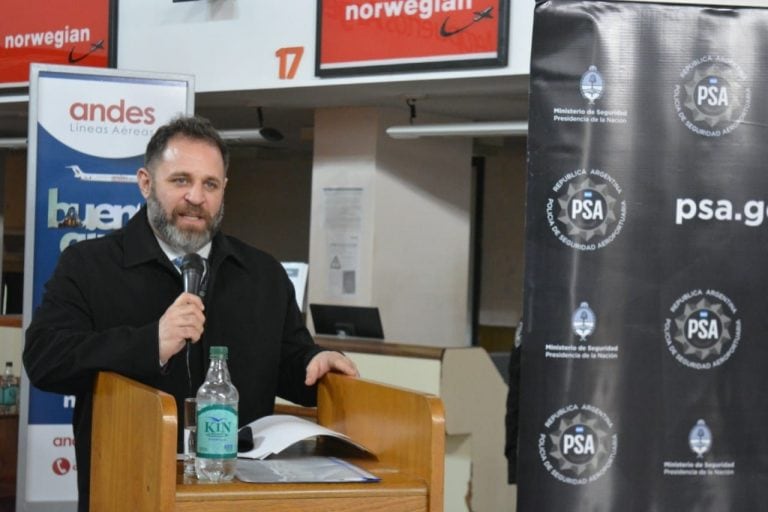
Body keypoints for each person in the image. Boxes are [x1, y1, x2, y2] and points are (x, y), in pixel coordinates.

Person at [23, 115, 358, 512]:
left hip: (238, 497)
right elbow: (45, 358)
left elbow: (287, 359)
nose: (196, 197)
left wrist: (314, 362)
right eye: (181, 180)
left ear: (224, 190)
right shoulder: (88, 265)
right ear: (146, 183)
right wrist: (152, 342)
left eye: (210, 184)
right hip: (127, 491)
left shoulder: (262, 273)